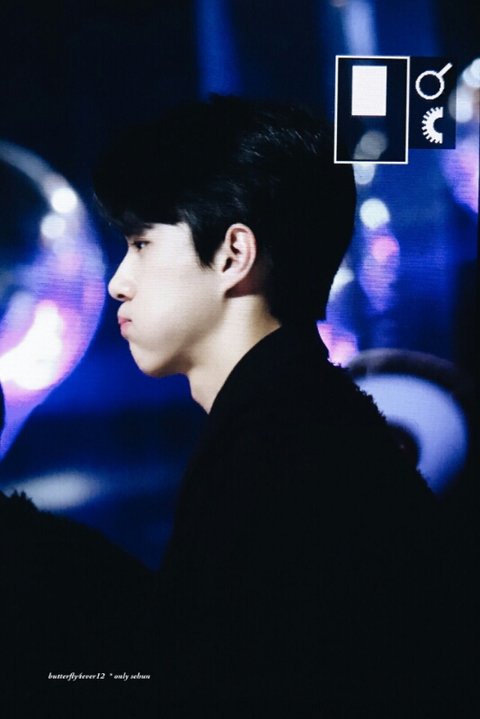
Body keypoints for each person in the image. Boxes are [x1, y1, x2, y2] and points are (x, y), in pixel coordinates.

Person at [92, 94, 449, 716]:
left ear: (234, 254)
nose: (116, 283)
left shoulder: (278, 457)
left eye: (142, 244)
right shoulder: (305, 426)